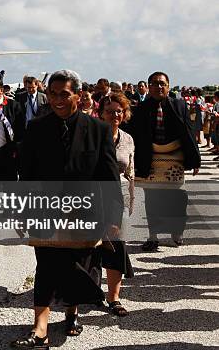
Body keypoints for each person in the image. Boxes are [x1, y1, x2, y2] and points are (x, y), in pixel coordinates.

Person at [12, 70, 122, 349]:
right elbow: (27, 174)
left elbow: (109, 178)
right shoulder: (37, 128)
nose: (58, 99)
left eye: (64, 94)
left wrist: (113, 218)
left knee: (76, 267)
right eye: (52, 93)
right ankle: (40, 330)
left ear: (78, 95)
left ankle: (72, 314)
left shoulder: (97, 130)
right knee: (46, 266)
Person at [128, 72, 200, 251]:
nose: (158, 87)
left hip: (174, 158)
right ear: (148, 86)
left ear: (168, 86)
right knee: (152, 199)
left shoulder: (179, 105)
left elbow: (189, 132)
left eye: (162, 84)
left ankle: (176, 233)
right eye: (154, 84)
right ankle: (153, 237)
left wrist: (195, 158)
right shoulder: (141, 109)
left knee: (178, 198)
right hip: (150, 158)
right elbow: (133, 135)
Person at [98, 93, 136, 317]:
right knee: (90, 247)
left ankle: (114, 298)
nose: (115, 115)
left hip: (118, 198)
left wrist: (132, 199)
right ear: (101, 113)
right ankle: (89, 292)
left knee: (116, 246)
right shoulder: (91, 136)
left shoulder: (128, 139)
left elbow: (131, 170)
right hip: (94, 196)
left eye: (119, 111)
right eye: (110, 111)